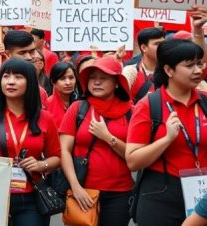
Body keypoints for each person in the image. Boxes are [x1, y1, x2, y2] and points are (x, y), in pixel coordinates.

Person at [126, 39, 207, 226]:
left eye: (199, 63)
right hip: (161, 194)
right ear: (169, 70)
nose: (197, 70)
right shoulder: (149, 105)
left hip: (202, 192)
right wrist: (166, 139)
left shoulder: (204, 101)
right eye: (189, 65)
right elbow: (132, 161)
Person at [0, 58, 60, 226]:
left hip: (31, 196)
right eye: (6, 76)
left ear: (30, 83)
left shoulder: (45, 118)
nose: (10, 82)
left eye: (18, 77)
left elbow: (56, 157)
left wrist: (41, 165)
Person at [59, 57, 134, 226]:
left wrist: (108, 138)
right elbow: (63, 150)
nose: (97, 82)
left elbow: (134, 158)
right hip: (83, 191)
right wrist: (75, 187)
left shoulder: (131, 112)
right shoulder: (78, 108)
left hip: (120, 193)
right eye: (92, 78)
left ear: (116, 83)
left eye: (103, 78)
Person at [0, 30, 49, 113]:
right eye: (22, 53)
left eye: (32, 51)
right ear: (8, 54)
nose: (29, 57)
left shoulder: (41, 92)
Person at [123, 27, 166, 103]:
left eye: (164, 43)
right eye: (157, 44)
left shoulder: (171, 71)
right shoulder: (131, 71)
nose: (163, 47)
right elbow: (121, 100)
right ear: (144, 48)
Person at [45, 62, 78, 128]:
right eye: (62, 79)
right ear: (53, 82)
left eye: (71, 78)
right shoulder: (47, 105)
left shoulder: (81, 103)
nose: (68, 83)